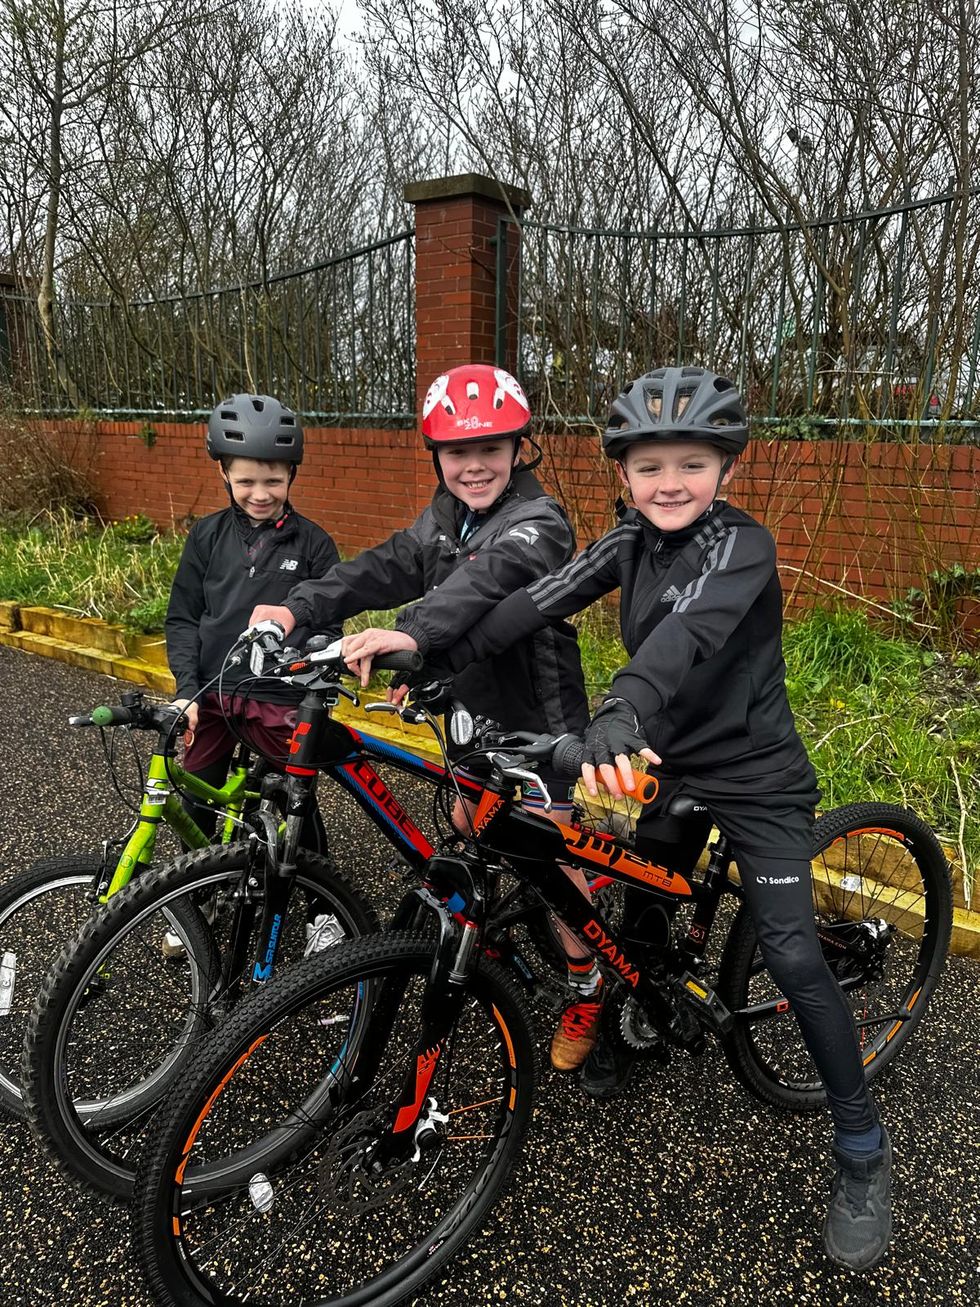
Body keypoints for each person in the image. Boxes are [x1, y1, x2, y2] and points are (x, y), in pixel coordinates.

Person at [415, 365, 891, 1273]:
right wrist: (429, 646)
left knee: (791, 954)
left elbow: (684, 641)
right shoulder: (628, 541)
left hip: (753, 775)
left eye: (692, 462)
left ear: (724, 468)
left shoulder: (741, 545)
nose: (670, 482)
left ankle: (864, 1150)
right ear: (623, 475)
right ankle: (642, 1005)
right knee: (637, 896)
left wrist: (620, 714)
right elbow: (532, 602)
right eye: (649, 465)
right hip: (660, 763)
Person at [248, 364, 596, 1068]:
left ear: (519, 449)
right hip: (470, 718)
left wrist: (412, 635)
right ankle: (502, 933)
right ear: (437, 456)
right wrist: (297, 607)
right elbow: (380, 566)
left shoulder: (540, 523)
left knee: (551, 858)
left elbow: (484, 582)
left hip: (540, 723)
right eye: (458, 452)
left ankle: (588, 982)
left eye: (491, 449)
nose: (474, 466)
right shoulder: (442, 519)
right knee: (472, 826)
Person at [166, 393, 341, 880]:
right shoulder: (206, 536)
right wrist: (186, 691)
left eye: (273, 481)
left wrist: (305, 668)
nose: (259, 493)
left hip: (276, 696)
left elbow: (328, 627)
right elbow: (182, 618)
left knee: (296, 801)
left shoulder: (315, 544)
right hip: (214, 692)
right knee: (196, 792)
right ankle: (191, 896)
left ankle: (321, 909)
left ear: (292, 475)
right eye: (245, 481)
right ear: (223, 472)